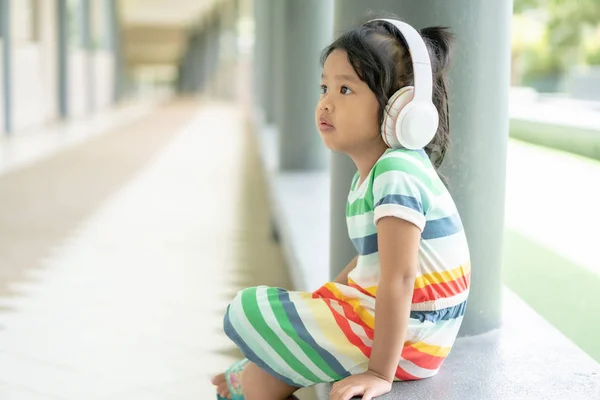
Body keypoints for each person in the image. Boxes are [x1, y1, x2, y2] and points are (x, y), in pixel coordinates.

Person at [212, 17, 471, 400]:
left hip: (414, 339)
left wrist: (380, 374)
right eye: (324, 87)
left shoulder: (396, 173)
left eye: (346, 89)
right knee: (271, 366)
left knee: (248, 308)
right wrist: (325, 299)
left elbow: (399, 280)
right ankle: (250, 377)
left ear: (399, 107)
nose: (326, 103)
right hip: (405, 329)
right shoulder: (375, 175)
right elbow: (373, 261)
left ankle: (246, 378)